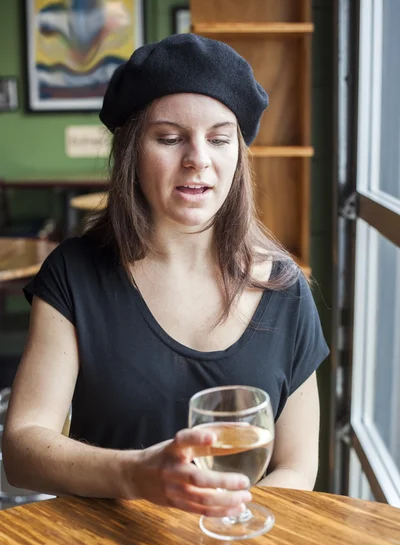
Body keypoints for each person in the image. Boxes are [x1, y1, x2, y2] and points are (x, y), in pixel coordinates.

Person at [3, 34, 329, 517]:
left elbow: (297, 468)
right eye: (171, 138)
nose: (198, 158)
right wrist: (136, 474)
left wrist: (217, 529)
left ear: (237, 155)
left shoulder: (285, 289)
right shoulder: (74, 274)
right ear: (133, 153)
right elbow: (22, 450)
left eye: (219, 139)